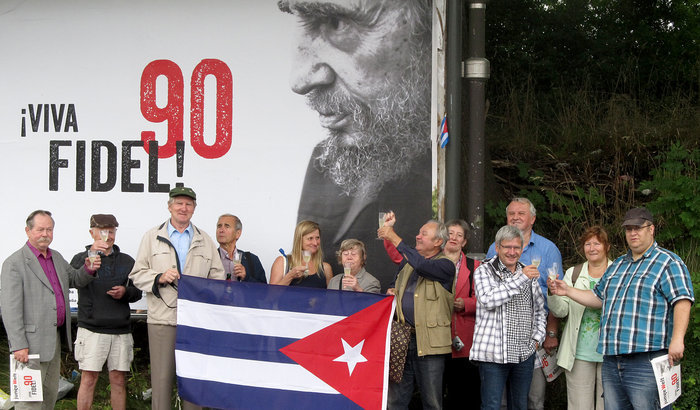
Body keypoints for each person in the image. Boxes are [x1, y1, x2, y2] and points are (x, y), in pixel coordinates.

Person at [278, 0, 434, 290]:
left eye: (337, 23)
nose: (298, 80)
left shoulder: (436, 176)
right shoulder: (324, 160)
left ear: (426, 36)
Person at [549, 208, 695, 410]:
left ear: (651, 229)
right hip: (612, 360)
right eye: (628, 229)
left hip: (647, 360)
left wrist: (677, 339)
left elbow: (682, 300)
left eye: (638, 228)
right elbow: (597, 298)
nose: (633, 233)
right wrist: (567, 290)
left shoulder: (668, 262)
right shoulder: (618, 265)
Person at [129, 187, 225, 410]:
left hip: (195, 322)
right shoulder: (152, 237)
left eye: (188, 204)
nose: (184, 208)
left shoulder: (205, 240)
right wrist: (159, 276)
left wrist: (204, 292)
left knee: (194, 381)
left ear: (194, 209)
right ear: (170, 206)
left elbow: (218, 277)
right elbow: (137, 275)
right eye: (179, 203)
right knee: (161, 382)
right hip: (162, 320)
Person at [1, 210, 103, 409]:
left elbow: (75, 279)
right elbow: (10, 309)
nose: (45, 234)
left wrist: (91, 263)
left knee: (48, 400)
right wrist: (18, 344)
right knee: (28, 402)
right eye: (40, 229)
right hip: (28, 347)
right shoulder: (14, 264)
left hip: (53, 341)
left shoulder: (56, 257)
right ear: (28, 231)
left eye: (49, 229)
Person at [486, 197, 563, 409]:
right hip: (499, 335)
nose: (515, 217)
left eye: (521, 213)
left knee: (533, 399)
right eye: (511, 214)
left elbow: (555, 293)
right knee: (500, 400)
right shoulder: (494, 248)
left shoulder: (547, 249)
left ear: (533, 219)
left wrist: (551, 332)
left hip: (534, 335)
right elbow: (488, 293)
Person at [378, 212, 455, 410]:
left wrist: (393, 237)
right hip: (402, 339)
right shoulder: (408, 263)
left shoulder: (445, 265)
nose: (417, 236)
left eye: (423, 234)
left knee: (432, 402)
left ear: (438, 241)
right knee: (395, 401)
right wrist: (391, 292)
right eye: (419, 233)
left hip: (429, 342)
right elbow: (395, 283)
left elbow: (423, 266)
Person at [69, 214, 142, 410]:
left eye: (111, 231)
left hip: (121, 330)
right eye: (102, 232)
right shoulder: (79, 258)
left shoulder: (127, 261)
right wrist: (89, 261)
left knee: (118, 380)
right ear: (91, 233)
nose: (107, 236)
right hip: (91, 329)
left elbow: (138, 292)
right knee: (89, 378)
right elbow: (72, 281)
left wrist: (125, 292)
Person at [471, 225, 547, 410]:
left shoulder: (528, 272)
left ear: (522, 249)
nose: (512, 252)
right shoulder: (484, 270)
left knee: (520, 405)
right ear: (497, 248)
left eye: (516, 247)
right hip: (493, 355)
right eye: (507, 247)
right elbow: (488, 300)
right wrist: (521, 278)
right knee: (492, 406)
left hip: (524, 353)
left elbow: (540, 310)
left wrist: (537, 339)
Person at [548, 226, 612, 410]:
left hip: (611, 352)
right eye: (587, 243)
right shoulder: (574, 274)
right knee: (579, 406)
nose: (592, 248)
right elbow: (561, 312)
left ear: (607, 246)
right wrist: (552, 294)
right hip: (579, 353)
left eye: (596, 243)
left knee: (609, 405)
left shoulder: (618, 271)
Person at [442, 219, 482, 409]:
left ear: (464, 242)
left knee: (464, 394)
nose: (454, 238)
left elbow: (485, 300)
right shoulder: (431, 263)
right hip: (437, 339)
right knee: (437, 395)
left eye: (459, 235)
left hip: (465, 340)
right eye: (450, 233)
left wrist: (465, 304)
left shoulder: (476, 267)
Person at [270, 220, 333, 288]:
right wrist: (290, 276)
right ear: (299, 240)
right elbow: (271, 295)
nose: (315, 243)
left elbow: (330, 297)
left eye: (317, 238)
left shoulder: (326, 268)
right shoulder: (282, 262)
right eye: (310, 238)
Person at [215, 214, 267, 283]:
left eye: (227, 226)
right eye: (219, 226)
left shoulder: (251, 260)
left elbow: (264, 290)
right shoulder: (209, 258)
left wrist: (246, 277)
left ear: (238, 233)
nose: (221, 230)